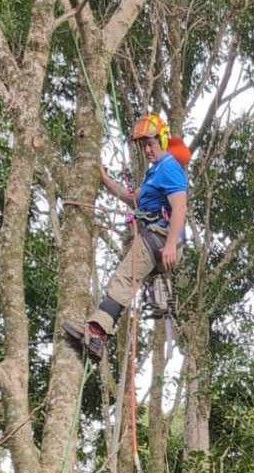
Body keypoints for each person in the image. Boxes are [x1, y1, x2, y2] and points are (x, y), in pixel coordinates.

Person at [64, 113, 189, 363]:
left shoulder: (170, 167)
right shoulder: (155, 174)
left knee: (123, 279)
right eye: (144, 146)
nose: (148, 150)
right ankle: (101, 332)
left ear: (162, 140)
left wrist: (172, 244)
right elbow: (131, 197)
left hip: (161, 237)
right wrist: (102, 177)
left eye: (151, 144)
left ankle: (97, 334)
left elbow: (180, 207)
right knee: (126, 281)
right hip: (156, 237)